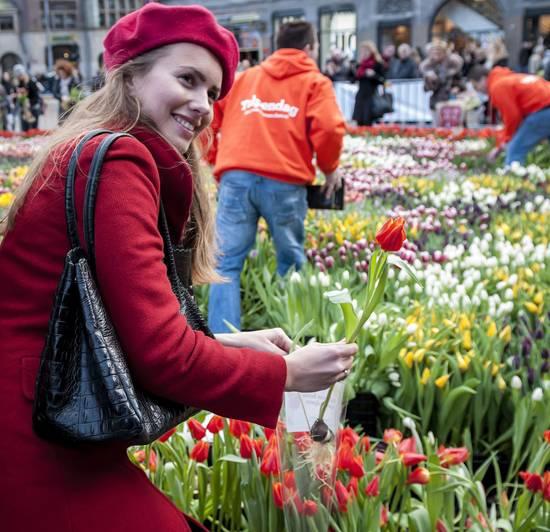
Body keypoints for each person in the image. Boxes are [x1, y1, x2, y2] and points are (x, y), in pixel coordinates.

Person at [0, 5, 357, 532]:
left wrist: (229, 344)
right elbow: (162, 358)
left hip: (46, 409)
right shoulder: (121, 161)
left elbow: (118, 323)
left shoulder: (95, 149)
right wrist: (287, 376)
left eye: (212, 92)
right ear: (132, 73)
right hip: (29, 430)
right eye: (187, 79)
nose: (203, 105)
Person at [206, 20, 345, 333]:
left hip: (236, 177)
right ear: (310, 47)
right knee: (291, 260)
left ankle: (224, 343)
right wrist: (330, 168)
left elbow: (210, 115)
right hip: (285, 182)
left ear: (276, 45)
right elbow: (329, 129)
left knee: (225, 264)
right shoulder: (315, 82)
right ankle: (287, 334)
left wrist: (217, 160)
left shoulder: (246, 78)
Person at [468, 65, 550, 166]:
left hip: (543, 110)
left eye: (476, 86)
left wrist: (504, 142)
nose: (478, 91)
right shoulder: (509, 78)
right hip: (544, 106)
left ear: (483, 79)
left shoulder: (498, 87)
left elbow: (513, 117)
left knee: (515, 152)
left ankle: (513, 179)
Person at [420, 41, 463, 126]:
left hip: (452, 100)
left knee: (454, 126)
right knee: (438, 127)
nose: (436, 53)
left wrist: (457, 88)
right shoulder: (428, 68)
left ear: (444, 52)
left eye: (439, 51)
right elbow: (426, 88)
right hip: (436, 101)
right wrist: (430, 80)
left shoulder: (452, 65)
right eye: (434, 51)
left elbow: (461, 82)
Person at [352, 40, 385, 126]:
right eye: (362, 51)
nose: (364, 53)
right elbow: (352, 79)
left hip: (371, 96)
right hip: (361, 96)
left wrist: (373, 75)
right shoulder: (360, 65)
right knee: (359, 121)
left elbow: (382, 80)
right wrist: (354, 69)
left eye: (366, 51)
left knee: (368, 121)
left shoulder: (377, 64)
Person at [12, 63, 43, 131]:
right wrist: (16, 97)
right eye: (17, 76)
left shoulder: (31, 82)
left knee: (34, 129)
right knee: (24, 129)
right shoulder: (17, 84)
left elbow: (36, 96)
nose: (19, 77)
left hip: (33, 108)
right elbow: (15, 98)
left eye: (20, 75)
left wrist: (28, 102)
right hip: (23, 110)